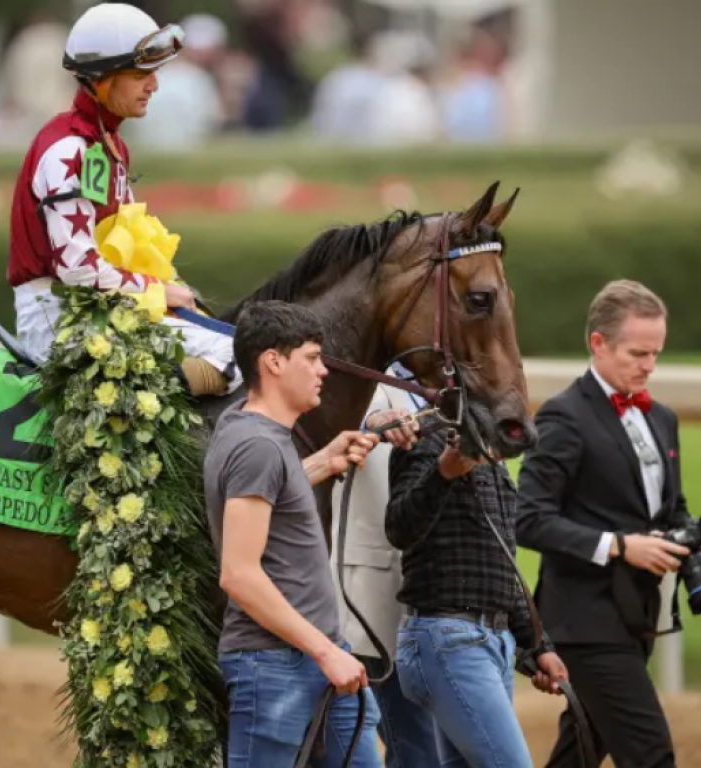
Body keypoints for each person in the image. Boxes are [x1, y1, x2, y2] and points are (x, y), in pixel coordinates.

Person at [7, 2, 236, 396]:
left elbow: (124, 250)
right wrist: (156, 291)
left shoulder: (109, 144)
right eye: (140, 74)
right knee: (233, 355)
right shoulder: (68, 149)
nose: (155, 85)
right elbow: (78, 267)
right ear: (102, 78)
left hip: (101, 306)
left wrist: (165, 288)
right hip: (57, 318)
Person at [204, 300, 389, 767]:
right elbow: (239, 576)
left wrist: (324, 462)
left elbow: (265, 492)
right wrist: (326, 652)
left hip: (317, 662)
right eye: (311, 357)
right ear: (273, 361)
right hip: (278, 666)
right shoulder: (258, 446)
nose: (323, 370)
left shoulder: (249, 429)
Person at [515, 279, 692, 768]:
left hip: (638, 614)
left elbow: (669, 505)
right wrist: (618, 546)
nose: (650, 365)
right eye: (638, 353)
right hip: (583, 621)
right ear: (598, 343)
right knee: (650, 753)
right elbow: (526, 519)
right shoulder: (563, 417)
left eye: (656, 353)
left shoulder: (662, 417)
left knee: (582, 751)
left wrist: (687, 536)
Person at [386, 415, 569, 768]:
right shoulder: (428, 441)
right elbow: (398, 528)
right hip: (448, 639)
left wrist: (538, 646)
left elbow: (501, 567)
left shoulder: (496, 465)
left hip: (492, 643)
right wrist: (443, 473)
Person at [330, 375, 440, 768]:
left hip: (429, 602)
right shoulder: (366, 371)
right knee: (415, 746)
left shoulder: (442, 383)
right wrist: (375, 419)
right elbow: (338, 414)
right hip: (368, 603)